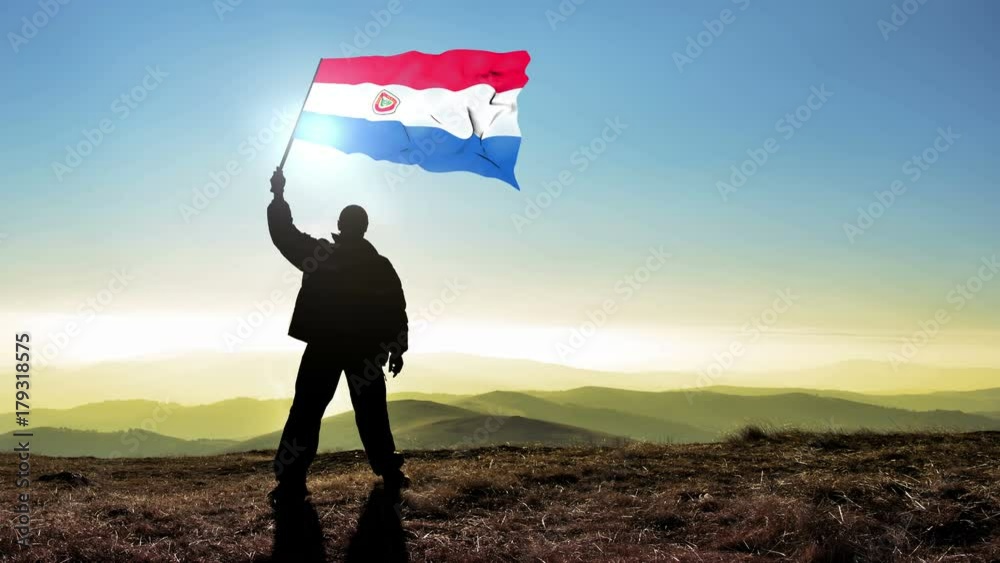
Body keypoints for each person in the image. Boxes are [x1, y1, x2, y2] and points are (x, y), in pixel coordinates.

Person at [266, 167, 409, 507]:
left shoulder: (322, 256)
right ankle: (389, 471)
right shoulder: (379, 265)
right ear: (363, 228)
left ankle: (291, 482)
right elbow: (396, 308)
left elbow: (284, 235)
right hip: (365, 351)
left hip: (325, 346)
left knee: (306, 411)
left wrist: (278, 196)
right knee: (371, 413)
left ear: (342, 226)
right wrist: (397, 348)